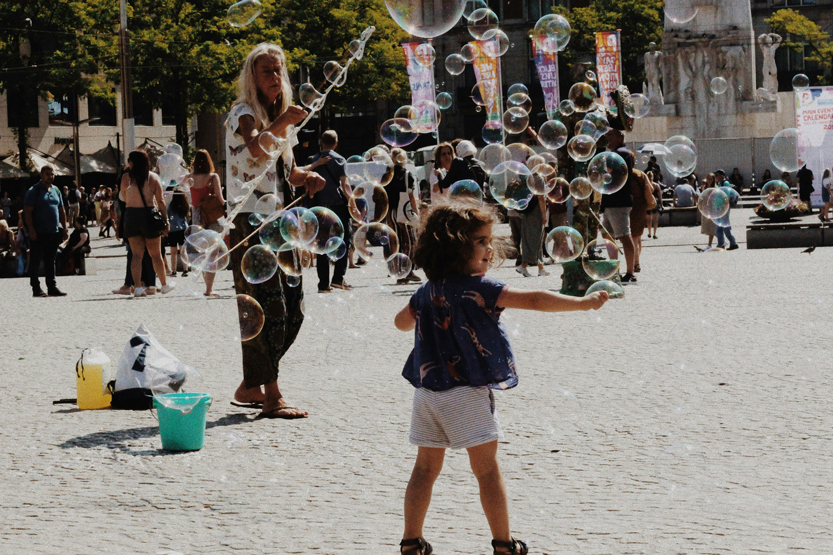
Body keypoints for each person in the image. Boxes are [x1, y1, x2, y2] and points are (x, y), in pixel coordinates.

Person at [393, 200, 608, 555]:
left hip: (427, 394)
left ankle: (411, 542)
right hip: (466, 394)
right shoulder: (481, 288)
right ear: (454, 247)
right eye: (481, 241)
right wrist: (582, 303)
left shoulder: (426, 291)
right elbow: (536, 299)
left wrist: (427, 310)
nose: (489, 248)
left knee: (425, 469)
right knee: (487, 471)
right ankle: (504, 544)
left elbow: (400, 323)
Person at [225, 42, 326, 418]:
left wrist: (309, 176)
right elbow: (255, 149)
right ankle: (271, 395)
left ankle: (251, 384)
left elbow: (287, 171)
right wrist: (284, 122)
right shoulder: (243, 113)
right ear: (252, 77)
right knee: (269, 307)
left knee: (294, 308)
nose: (274, 76)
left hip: (279, 219)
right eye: (266, 70)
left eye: (278, 69)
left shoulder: (281, 119)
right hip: (251, 221)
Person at [303, 130, 354, 291]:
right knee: (344, 239)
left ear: (321, 142)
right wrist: (353, 204)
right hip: (337, 206)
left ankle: (323, 283)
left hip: (318, 206)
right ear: (336, 143)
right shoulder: (340, 160)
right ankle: (338, 278)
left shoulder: (314, 160)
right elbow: (345, 185)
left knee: (321, 243)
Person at [121, 150, 175, 297]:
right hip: (149, 216)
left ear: (132, 162)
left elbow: (124, 197)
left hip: (131, 216)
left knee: (136, 255)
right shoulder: (153, 177)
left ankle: (138, 287)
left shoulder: (126, 178)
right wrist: (166, 221)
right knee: (156, 254)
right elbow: (161, 201)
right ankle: (164, 285)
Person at [23, 166, 68, 297]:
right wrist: (31, 230)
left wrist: (65, 228)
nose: (50, 176)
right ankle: (36, 288)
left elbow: (61, 210)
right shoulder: (34, 191)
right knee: (35, 261)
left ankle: (52, 287)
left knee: (50, 260)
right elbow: (27, 212)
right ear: (41, 175)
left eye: (52, 174)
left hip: (53, 232)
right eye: (47, 174)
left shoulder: (56, 190)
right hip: (38, 232)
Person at [185, 149, 225, 296]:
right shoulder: (213, 177)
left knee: (202, 252)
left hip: (197, 217)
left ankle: (206, 287)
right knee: (213, 253)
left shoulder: (189, 177)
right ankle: (209, 289)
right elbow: (220, 199)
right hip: (211, 216)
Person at [383, 147, 421, 285]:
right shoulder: (407, 174)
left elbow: (383, 198)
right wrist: (416, 213)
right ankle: (407, 271)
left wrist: (386, 215)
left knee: (396, 242)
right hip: (403, 211)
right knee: (409, 241)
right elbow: (411, 197)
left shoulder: (387, 175)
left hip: (391, 212)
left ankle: (399, 273)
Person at [600, 145, 637, 283]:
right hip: (608, 204)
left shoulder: (622, 156)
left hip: (618, 203)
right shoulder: (616, 158)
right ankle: (614, 270)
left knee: (624, 236)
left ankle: (630, 273)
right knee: (607, 236)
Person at [629, 161, 656, 273]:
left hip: (626, 205)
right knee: (637, 236)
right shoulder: (640, 174)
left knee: (630, 237)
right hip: (640, 206)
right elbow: (651, 189)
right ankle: (636, 262)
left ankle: (633, 263)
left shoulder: (621, 174)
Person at [516, 193, 548, 277]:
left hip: (527, 213)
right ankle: (523, 265)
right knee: (536, 240)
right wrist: (544, 215)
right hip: (536, 214)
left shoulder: (528, 185)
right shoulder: (538, 185)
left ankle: (541, 268)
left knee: (528, 239)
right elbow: (541, 198)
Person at [165, 187, 189, 277]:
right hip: (182, 229)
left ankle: (174, 270)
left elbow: (168, 216)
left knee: (173, 251)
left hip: (172, 230)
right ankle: (185, 269)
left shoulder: (171, 206)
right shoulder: (185, 205)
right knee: (183, 251)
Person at [699, 174, 718, 249]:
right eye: (708, 179)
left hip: (712, 210)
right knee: (710, 228)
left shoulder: (715, 188)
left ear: (713, 180)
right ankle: (721, 241)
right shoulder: (704, 187)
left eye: (710, 179)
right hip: (706, 209)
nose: (709, 180)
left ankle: (710, 244)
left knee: (712, 228)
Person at [646, 171, 662, 239]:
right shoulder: (656, 185)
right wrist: (662, 205)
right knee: (655, 220)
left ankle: (649, 232)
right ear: (652, 177)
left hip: (648, 203)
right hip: (656, 202)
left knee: (649, 219)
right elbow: (660, 196)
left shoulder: (645, 185)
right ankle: (654, 234)